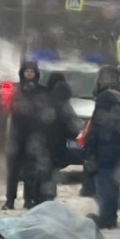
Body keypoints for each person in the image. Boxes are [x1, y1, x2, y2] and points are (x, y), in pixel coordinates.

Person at [84, 65, 120, 229]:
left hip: (105, 146)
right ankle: (110, 214)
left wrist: (90, 148)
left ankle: (107, 216)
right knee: (113, 181)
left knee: (104, 181)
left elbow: (98, 125)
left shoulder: (105, 97)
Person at [2, 59, 45, 210]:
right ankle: (10, 200)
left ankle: (28, 199)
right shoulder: (17, 90)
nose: (29, 74)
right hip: (16, 134)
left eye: (32, 72)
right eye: (27, 72)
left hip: (33, 136)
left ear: (36, 74)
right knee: (13, 171)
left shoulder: (40, 91)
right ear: (22, 73)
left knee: (30, 170)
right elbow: (7, 108)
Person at [36, 72, 80, 204]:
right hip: (58, 146)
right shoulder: (65, 103)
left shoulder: (43, 100)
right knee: (50, 174)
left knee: (42, 173)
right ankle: (48, 199)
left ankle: (39, 199)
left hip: (41, 144)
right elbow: (72, 127)